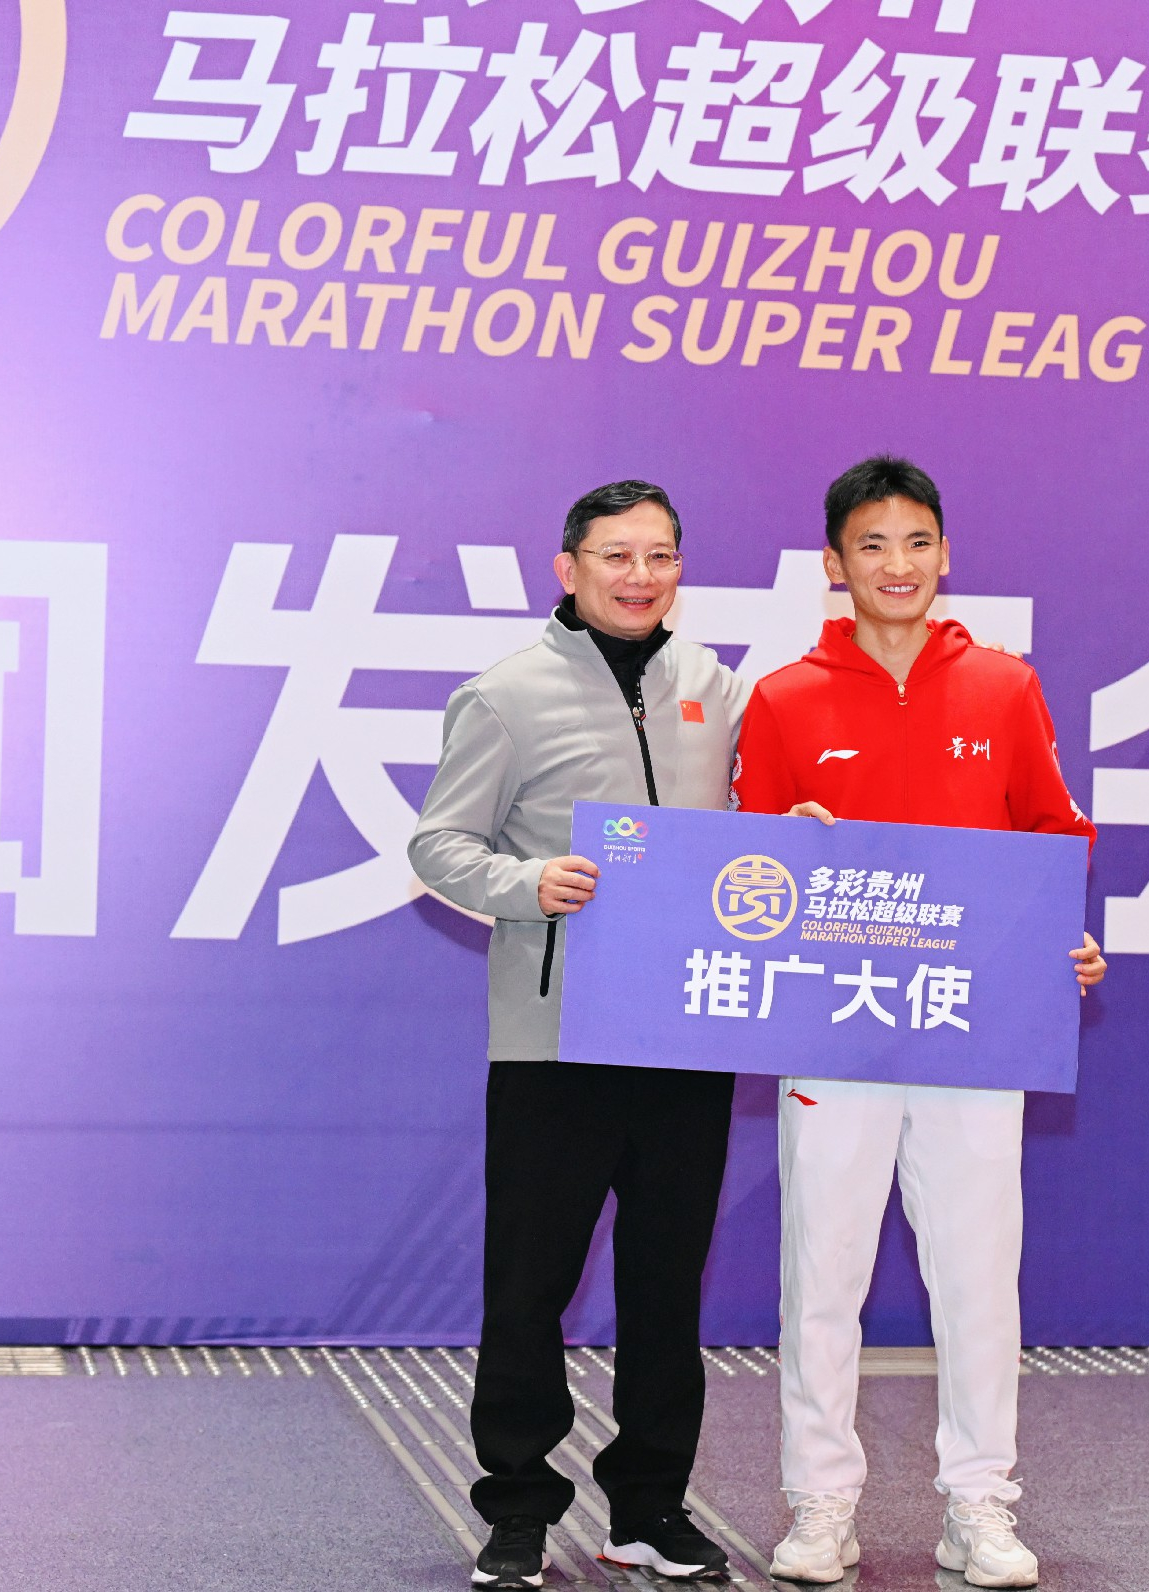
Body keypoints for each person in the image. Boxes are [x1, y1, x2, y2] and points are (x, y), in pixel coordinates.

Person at [731, 455, 1105, 1589]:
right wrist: (783, 842)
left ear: (946, 553)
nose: (898, 564)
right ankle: (821, 1504)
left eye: (918, 542)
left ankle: (979, 1503)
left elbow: (1053, 836)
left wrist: (1061, 947)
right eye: (873, 544)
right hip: (833, 1029)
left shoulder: (1003, 685)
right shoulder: (783, 697)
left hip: (970, 1028)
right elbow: (742, 871)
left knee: (979, 1276)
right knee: (822, 1274)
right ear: (833, 562)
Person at [410, 479, 749, 1590]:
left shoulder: (717, 688)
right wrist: (528, 884)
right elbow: (439, 844)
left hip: (684, 1034)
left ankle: (649, 1507)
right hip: (554, 1043)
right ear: (568, 567)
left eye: (660, 555)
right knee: (530, 1288)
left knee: (666, 1288)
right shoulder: (505, 695)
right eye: (616, 555)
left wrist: (786, 839)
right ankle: (516, 1507)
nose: (640, 576)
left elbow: (736, 839)